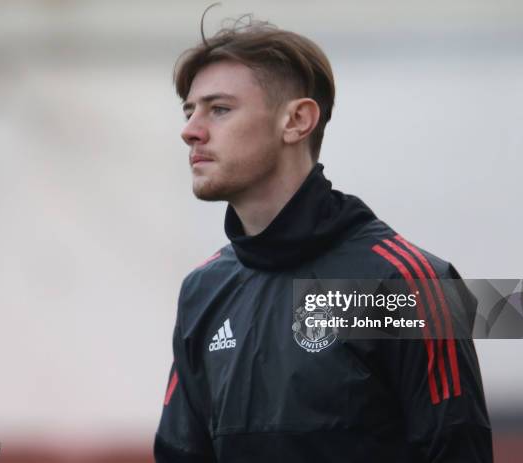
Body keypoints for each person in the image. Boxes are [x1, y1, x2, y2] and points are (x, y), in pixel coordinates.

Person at [154, 14, 493, 463]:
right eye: (189, 111)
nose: (190, 130)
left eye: (219, 109)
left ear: (297, 121)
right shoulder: (203, 291)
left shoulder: (405, 286)